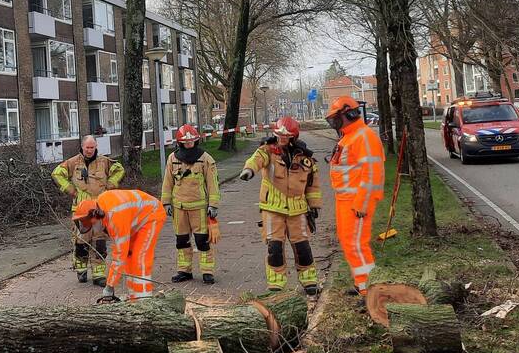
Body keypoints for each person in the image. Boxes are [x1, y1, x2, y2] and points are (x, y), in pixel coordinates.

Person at [238, 116, 322, 295]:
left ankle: (309, 281)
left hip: (298, 210)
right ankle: (276, 284)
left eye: (286, 136)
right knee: (274, 247)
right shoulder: (268, 150)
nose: (282, 138)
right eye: (279, 135)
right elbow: (256, 159)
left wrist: (314, 206)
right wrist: (248, 170)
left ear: (294, 136)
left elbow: (313, 184)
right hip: (272, 208)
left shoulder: (305, 158)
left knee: (302, 248)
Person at [325, 95, 385, 297]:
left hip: (356, 202)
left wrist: (362, 203)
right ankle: (362, 285)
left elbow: (372, 174)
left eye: (336, 118)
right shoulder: (350, 136)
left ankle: (370, 292)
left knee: (357, 244)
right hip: (345, 200)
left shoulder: (363, 136)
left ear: (348, 114)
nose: (334, 123)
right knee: (348, 243)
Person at [52, 135, 125, 286]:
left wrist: (111, 184)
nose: (90, 150)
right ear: (82, 147)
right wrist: (71, 190)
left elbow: (119, 170)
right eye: (87, 147)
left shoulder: (104, 161)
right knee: (81, 241)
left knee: (99, 241)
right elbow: (56, 174)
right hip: (81, 210)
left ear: (96, 146)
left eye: (92, 147)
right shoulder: (73, 163)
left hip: (99, 208)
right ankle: (81, 270)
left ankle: (99, 274)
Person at [72, 189, 167, 302]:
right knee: (129, 257)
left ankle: (144, 299)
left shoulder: (114, 217)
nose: (91, 230)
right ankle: (134, 298)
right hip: (136, 218)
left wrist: (109, 286)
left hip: (152, 214)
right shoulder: (103, 207)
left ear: (95, 217)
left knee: (139, 257)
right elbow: (123, 254)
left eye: (90, 225)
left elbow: (119, 255)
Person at [161, 123, 220, 285]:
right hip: (179, 208)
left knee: (202, 240)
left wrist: (213, 205)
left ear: (196, 141)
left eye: (191, 141)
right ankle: (184, 270)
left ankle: (207, 271)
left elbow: (213, 183)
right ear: (180, 143)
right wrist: (166, 203)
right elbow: (167, 182)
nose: (189, 144)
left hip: (199, 208)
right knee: (182, 241)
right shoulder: (172, 159)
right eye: (185, 142)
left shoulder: (205, 159)